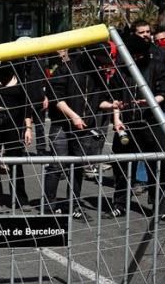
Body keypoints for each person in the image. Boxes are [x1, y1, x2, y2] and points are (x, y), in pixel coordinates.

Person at [106, 31, 165, 217]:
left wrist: (153, 100)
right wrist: (116, 119)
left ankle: (158, 206)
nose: (137, 58)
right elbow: (115, 96)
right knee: (121, 165)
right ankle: (120, 203)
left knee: (156, 166)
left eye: (139, 55)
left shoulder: (156, 66)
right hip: (128, 123)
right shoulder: (122, 70)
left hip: (151, 122)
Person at [42, 47, 113, 218]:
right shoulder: (65, 69)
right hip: (61, 124)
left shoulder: (98, 74)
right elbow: (57, 98)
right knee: (57, 164)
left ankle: (74, 205)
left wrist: (112, 105)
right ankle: (49, 205)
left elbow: (99, 100)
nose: (100, 66)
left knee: (77, 166)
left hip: (83, 126)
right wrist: (73, 116)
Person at [0, 57, 43, 211]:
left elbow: (26, 105)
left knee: (16, 161)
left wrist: (28, 128)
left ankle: (21, 199)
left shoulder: (21, 78)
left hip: (14, 123)